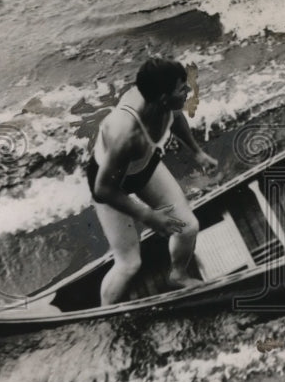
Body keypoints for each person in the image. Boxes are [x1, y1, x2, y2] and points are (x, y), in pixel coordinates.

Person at [87, 57, 219, 305]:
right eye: (182, 89)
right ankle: (106, 314)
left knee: (187, 226)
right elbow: (103, 189)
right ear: (163, 98)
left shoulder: (165, 104)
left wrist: (197, 152)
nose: (188, 91)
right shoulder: (126, 134)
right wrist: (148, 215)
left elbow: (176, 117)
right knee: (129, 264)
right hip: (110, 184)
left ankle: (178, 275)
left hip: (143, 167)